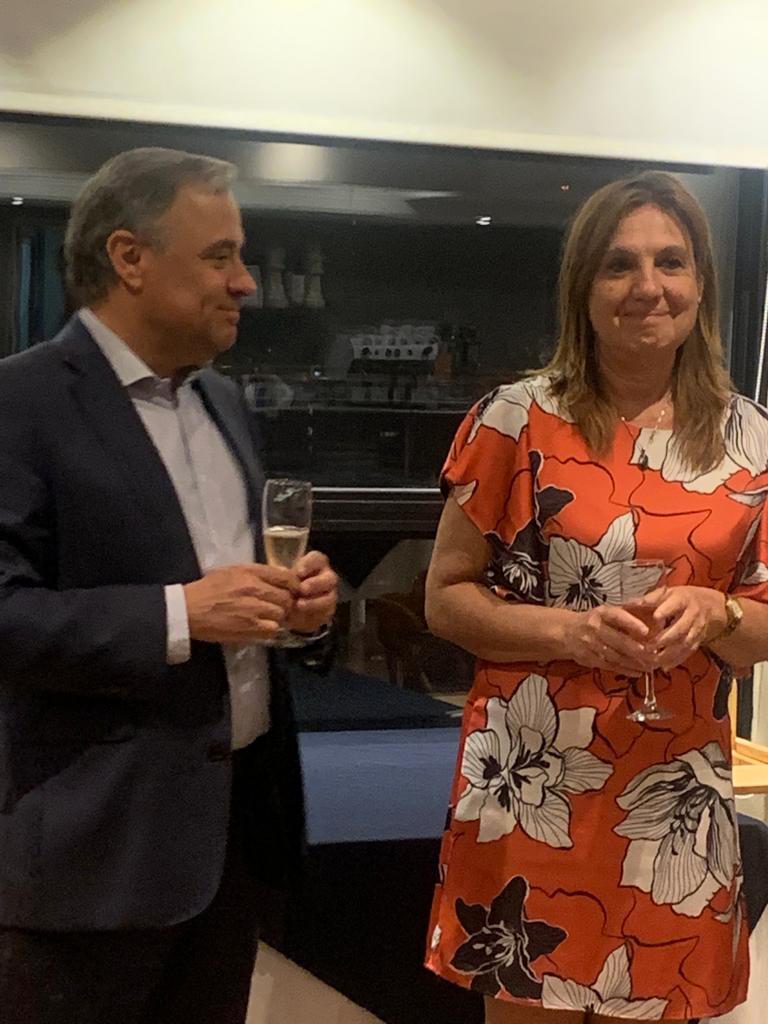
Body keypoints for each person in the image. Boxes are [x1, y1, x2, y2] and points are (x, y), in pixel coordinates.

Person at [0, 147, 338, 1024]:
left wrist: (300, 610)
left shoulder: (222, 402)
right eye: (220, 256)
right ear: (129, 257)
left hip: (232, 845)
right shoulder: (20, 403)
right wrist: (180, 613)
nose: (246, 283)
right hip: (90, 863)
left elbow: (240, 595)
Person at [423, 170, 768, 1024]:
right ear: (582, 288)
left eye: (670, 262)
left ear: (701, 285)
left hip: (674, 804)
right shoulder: (513, 420)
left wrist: (720, 612)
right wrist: (571, 633)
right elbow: (446, 600)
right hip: (532, 793)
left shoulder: (753, 440)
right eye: (619, 265)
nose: (649, 286)